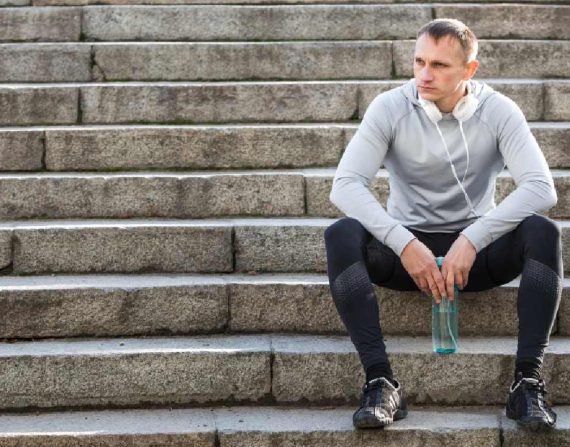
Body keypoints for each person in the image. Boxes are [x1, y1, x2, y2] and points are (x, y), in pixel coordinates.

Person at [324, 18, 561, 431]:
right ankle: (380, 381)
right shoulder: (390, 107)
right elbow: (344, 186)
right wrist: (403, 243)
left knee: (543, 231)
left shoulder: (498, 111)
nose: (424, 75)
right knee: (341, 233)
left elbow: (542, 188)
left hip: (476, 256)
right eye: (419, 61)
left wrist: (472, 239)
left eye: (439, 65)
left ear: (470, 70)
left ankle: (526, 382)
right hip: (405, 256)